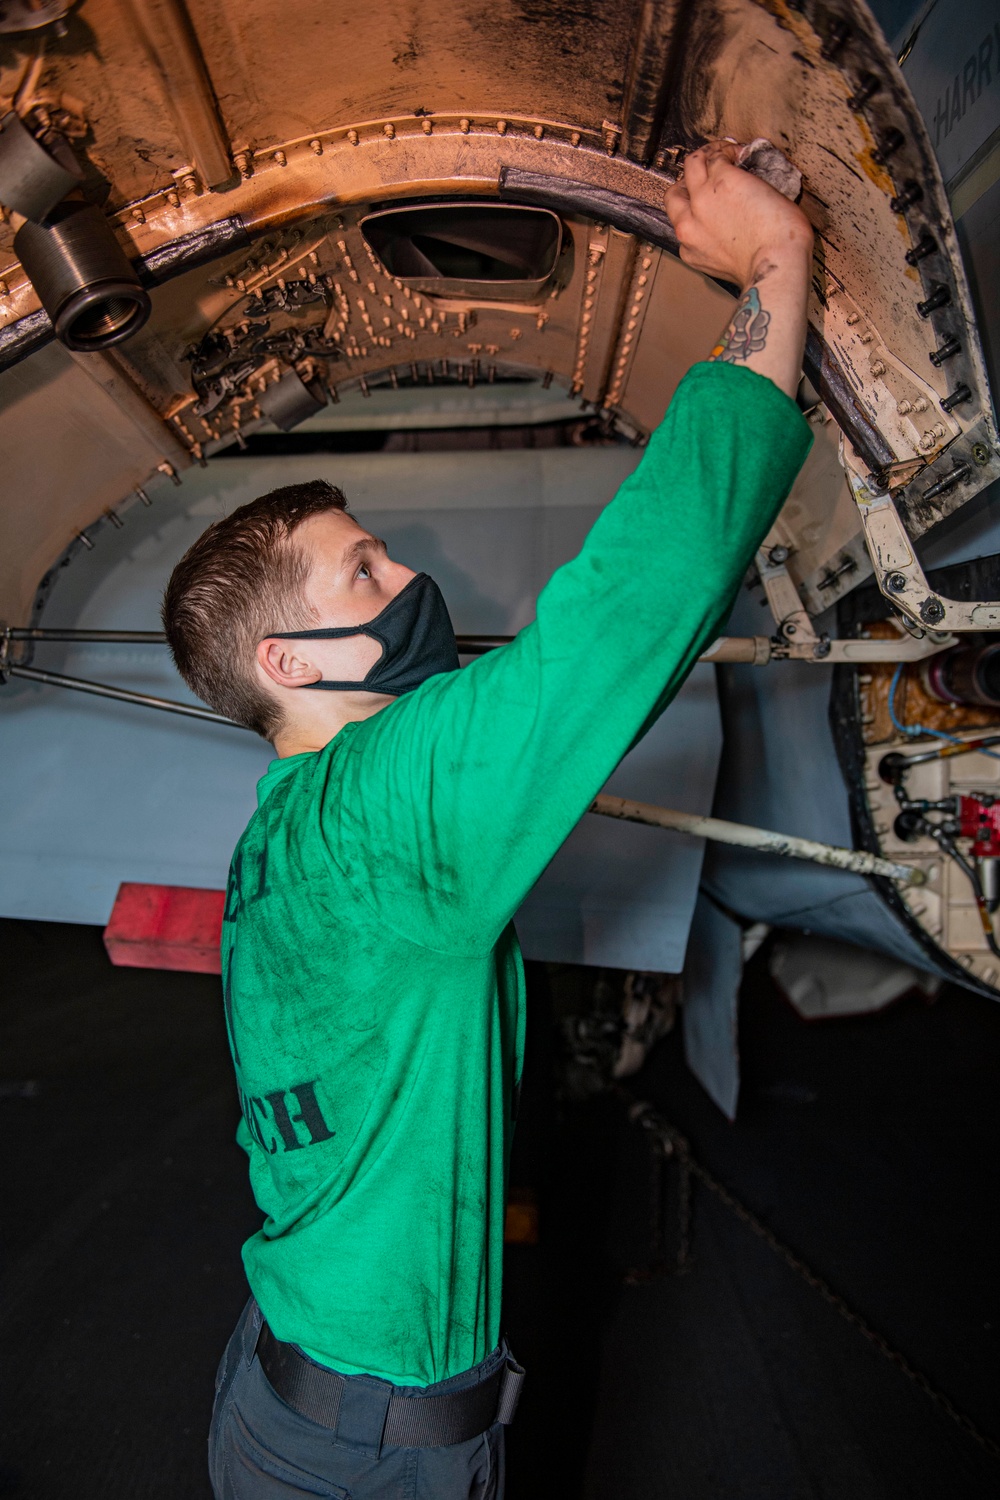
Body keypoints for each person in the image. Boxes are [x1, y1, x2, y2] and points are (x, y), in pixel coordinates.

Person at [162, 140, 815, 1500]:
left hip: (288, 1389)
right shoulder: (388, 809)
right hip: (372, 1456)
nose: (410, 579)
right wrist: (773, 267)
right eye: (367, 569)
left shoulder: (281, 836)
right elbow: (635, 601)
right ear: (291, 664)